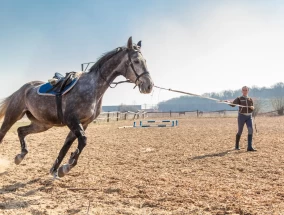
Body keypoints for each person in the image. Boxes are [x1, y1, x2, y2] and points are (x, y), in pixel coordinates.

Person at [226, 86, 257, 151]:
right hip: (241, 116)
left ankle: (249, 147)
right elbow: (233, 105)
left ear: (248, 91)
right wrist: (228, 102)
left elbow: (253, 107)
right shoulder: (239, 98)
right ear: (242, 91)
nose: (245, 91)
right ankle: (236, 146)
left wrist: (252, 108)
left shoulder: (250, 99)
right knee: (240, 131)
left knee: (250, 130)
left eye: (246, 90)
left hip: (249, 117)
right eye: (243, 90)